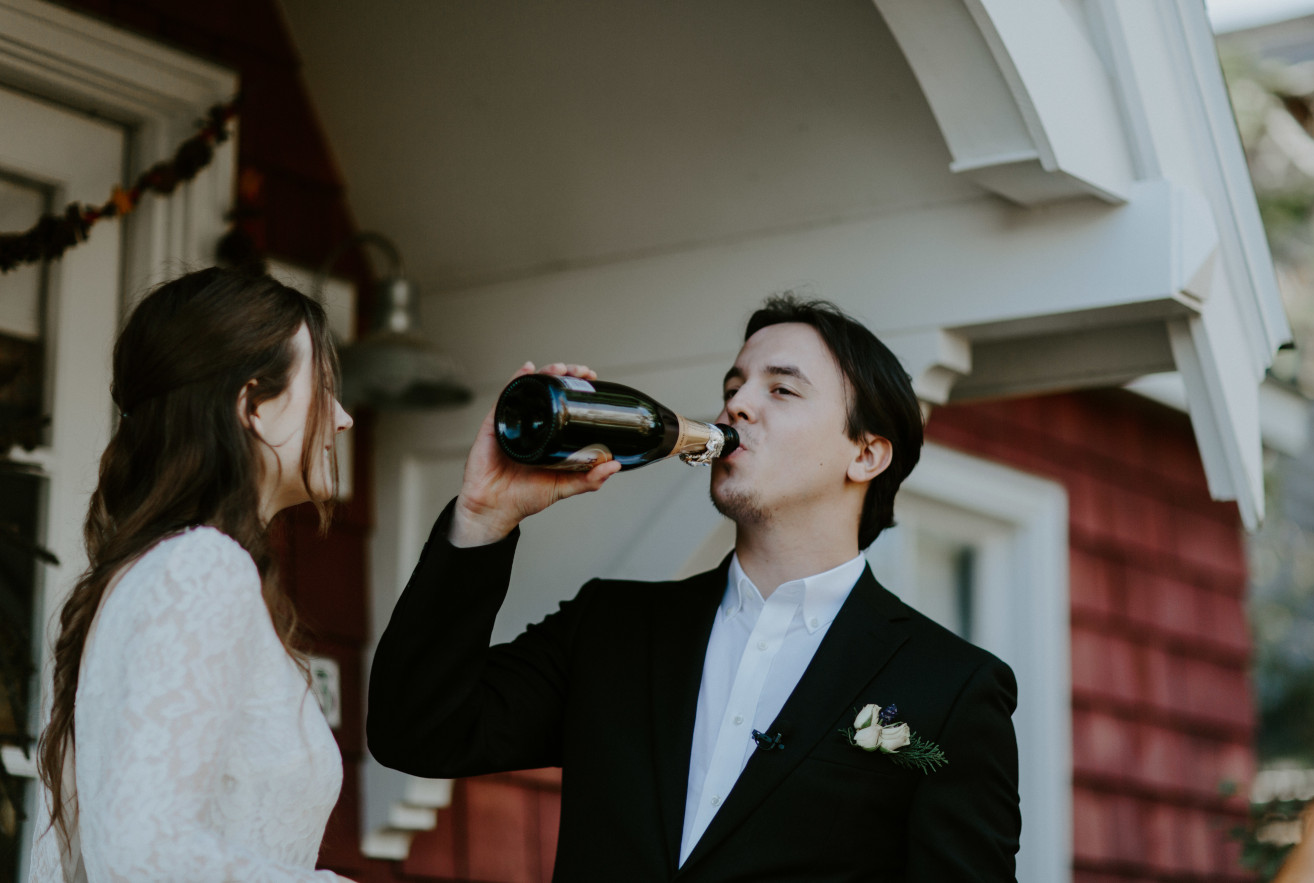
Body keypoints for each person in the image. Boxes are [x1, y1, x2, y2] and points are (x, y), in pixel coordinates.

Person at [368, 295, 1020, 880]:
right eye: (733, 385)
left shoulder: (951, 688)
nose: (735, 404)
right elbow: (417, 731)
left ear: (866, 454)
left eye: (782, 390)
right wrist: (484, 515)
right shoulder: (612, 626)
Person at [28, 267, 355, 882]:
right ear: (252, 405)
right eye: (326, 389)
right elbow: (143, 852)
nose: (342, 418)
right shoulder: (199, 569)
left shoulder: (142, 576)